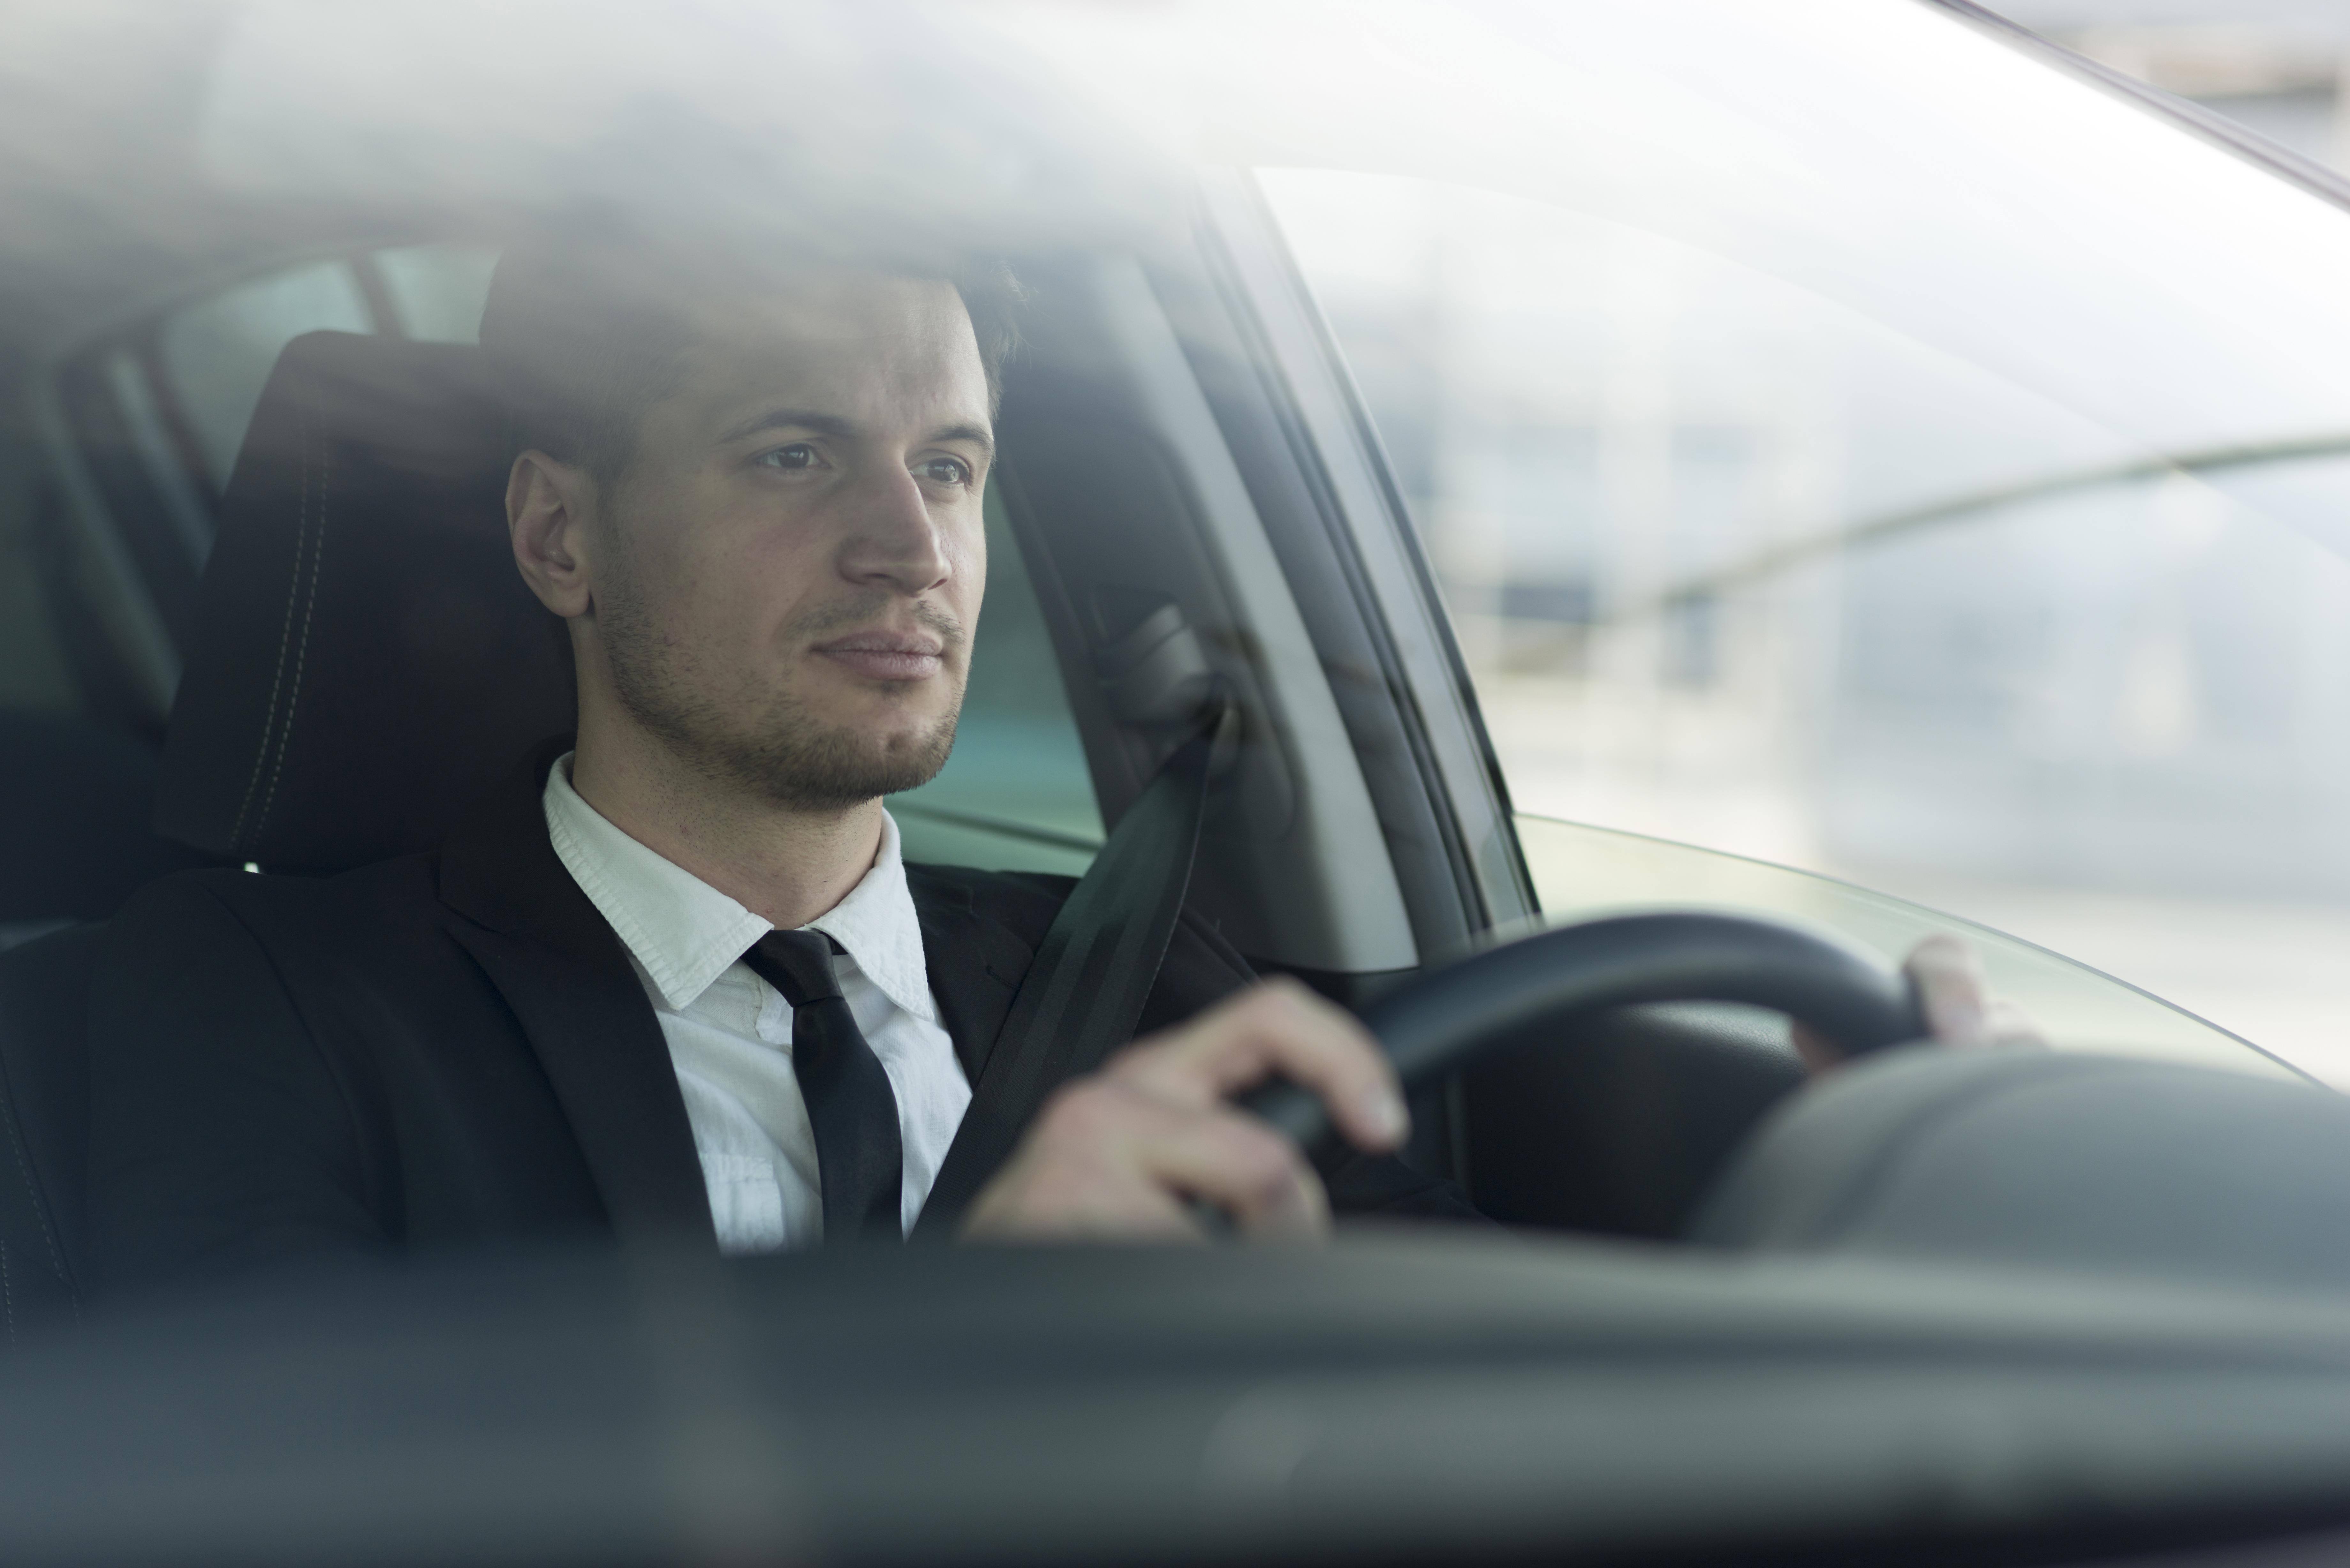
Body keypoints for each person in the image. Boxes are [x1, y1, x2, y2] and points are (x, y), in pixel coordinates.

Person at [83, 238, 2022, 1292]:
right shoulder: (228, 1023)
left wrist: (1880, 1217)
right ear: (558, 538)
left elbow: (1485, 1434)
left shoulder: (1169, 997)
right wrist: (960, 1360)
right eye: (792, 453)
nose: (909, 548)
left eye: (947, 467)